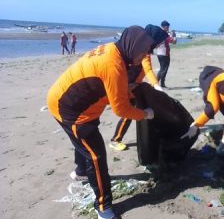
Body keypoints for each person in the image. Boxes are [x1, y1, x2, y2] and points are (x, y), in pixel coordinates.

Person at [47, 25, 168, 219]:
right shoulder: (114, 65)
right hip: (71, 110)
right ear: (133, 46)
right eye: (142, 53)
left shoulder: (113, 49)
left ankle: (80, 173)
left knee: (83, 143)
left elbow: (111, 86)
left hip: (70, 101)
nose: (143, 58)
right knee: (96, 156)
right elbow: (121, 109)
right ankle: (103, 207)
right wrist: (145, 114)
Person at [109, 25, 165, 151]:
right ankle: (115, 139)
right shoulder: (141, 51)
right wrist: (156, 85)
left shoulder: (144, 50)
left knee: (136, 112)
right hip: (128, 87)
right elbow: (148, 69)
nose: (157, 46)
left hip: (134, 85)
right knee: (128, 114)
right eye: (157, 43)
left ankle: (150, 136)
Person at [155, 20, 177, 88]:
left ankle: (158, 83)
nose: (168, 28)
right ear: (164, 27)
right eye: (167, 27)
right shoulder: (164, 34)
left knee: (162, 69)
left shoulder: (159, 33)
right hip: (164, 54)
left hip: (159, 53)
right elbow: (174, 42)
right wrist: (174, 36)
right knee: (164, 69)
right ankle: (159, 84)